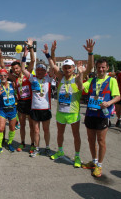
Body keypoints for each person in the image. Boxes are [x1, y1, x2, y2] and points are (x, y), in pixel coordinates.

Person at [43, 39, 95, 168]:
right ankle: (60, 150)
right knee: (60, 133)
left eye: (69, 67)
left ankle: (77, 156)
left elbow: (89, 68)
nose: (67, 69)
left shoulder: (78, 77)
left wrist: (90, 53)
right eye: (65, 67)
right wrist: (50, 53)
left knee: (76, 135)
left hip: (73, 113)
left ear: (73, 68)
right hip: (61, 112)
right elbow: (53, 64)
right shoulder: (60, 77)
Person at [81, 58, 121, 177]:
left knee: (101, 141)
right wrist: (80, 73)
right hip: (90, 114)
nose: (101, 69)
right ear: (96, 68)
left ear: (107, 68)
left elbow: (117, 97)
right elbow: (81, 87)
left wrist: (109, 103)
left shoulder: (112, 80)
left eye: (103, 67)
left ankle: (99, 164)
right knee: (91, 140)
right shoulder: (92, 80)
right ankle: (94, 161)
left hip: (102, 115)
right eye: (99, 67)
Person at [21, 46, 54, 157]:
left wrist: (48, 55)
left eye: (42, 70)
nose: (40, 71)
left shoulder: (48, 78)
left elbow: (53, 67)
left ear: (45, 71)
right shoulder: (33, 78)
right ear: (36, 70)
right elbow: (23, 69)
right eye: (38, 70)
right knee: (36, 130)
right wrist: (24, 57)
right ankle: (37, 148)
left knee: (46, 130)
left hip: (45, 109)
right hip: (34, 109)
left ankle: (48, 147)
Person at [11, 38, 35, 153]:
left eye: (17, 68)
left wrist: (29, 50)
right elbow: (2, 67)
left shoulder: (27, 74)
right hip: (21, 103)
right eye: (14, 69)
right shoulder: (15, 79)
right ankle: (22, 142)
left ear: (21, 67)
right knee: (22, 124)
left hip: (30, 102)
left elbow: (33, 61)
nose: (16, 70)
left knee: (31, 125)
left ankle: (33, 144)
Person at [0, 69, 17, 156]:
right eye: (1, 76)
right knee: (0, 128)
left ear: (7, 76)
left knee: (12, 128)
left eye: (5, 75)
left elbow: (17, 93)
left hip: (12, 110)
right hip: (3, 110)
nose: (3, 77)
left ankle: (9, 143)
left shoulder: (12, 84)